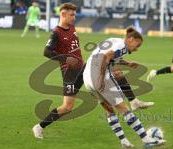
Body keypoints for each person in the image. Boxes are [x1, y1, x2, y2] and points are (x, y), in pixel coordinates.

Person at [32, 3, 153, 139]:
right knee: (67, 107)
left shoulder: (72, 28)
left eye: (74, 15)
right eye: (71, 15)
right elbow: (46, 51)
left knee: (115, 75)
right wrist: (65, 59)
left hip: (84, 68)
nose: (73, 18)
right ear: (63, 14)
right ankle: (39, 126)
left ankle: (132, 103)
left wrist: (126, 63)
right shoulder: (56, 33)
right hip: (70, 73)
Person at [83, 27, 166, 148]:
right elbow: (107, 56)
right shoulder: (122, 46)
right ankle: (147, 140)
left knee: (109, 110)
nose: (136, 49)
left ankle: (124, 141)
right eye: (137, 45)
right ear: (131, 39)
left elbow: (110, 57)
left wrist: (127, 63)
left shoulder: (116, 41)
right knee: (123, 108)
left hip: (87, 76)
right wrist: (100, 78)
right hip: (98, 73)